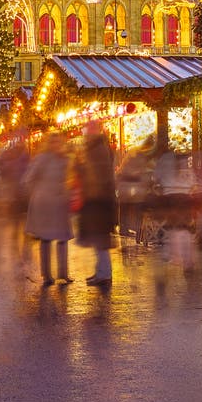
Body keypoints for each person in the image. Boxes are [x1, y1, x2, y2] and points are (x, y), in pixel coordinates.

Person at [23, 134, 73, 286]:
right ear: (49, 144)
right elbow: (28, 178)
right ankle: (47, 275)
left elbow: (68, 178)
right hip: (45, 204)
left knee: (62, 238)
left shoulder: (64, 159)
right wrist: (38, 192)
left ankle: (63, 273)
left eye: (59, 142)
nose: (57, 145)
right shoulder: (42, 159)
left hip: (59, 202)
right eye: (54, 142)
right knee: (46, 239)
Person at [75, 121, 118, 286]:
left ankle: (104, 274)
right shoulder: (96, 147)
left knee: (101, 239)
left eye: (89, 129)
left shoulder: (97, 149)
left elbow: (98, 175)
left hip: (99, 201)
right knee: (98, 239)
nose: (86, 132)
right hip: (97, 199)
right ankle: (101, 271)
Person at [116, 142, 152, 244]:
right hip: (130, 186)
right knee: (134, 206)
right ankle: (134, 230)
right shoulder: (139, 155)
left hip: (125, 185)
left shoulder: (132, 153)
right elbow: (140, 171)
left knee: (125, 207)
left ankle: (126, 229)